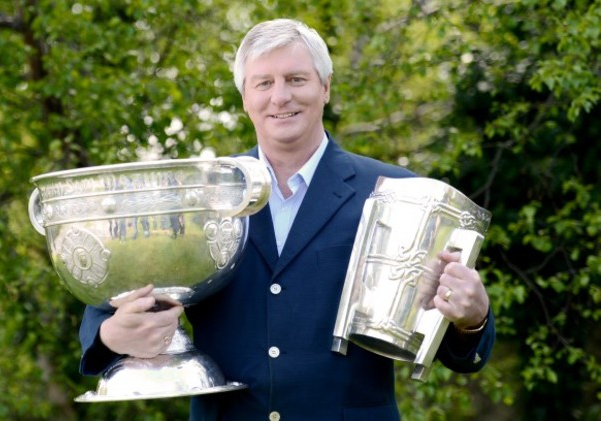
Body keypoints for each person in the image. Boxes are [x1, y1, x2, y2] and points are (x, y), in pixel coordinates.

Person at [79, 18, 495, 420]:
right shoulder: (199, 195)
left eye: (296, 79)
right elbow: (122, 287)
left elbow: (456, 349)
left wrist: (472, 318)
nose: (280, 97)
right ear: (245, 98)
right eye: (264, 83)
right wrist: (111, 335)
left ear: (325, 88)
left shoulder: (398, 192)